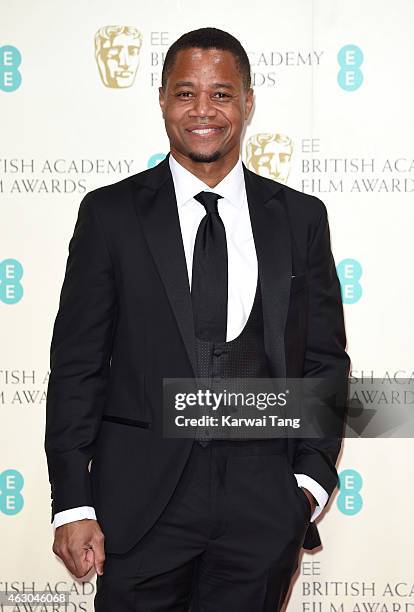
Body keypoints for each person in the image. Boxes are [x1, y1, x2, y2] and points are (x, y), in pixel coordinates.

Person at [45, 27, 350, 612]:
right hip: (141, 503)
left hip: (264, 501)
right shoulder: (109, 214)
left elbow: (325, 360)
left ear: (248, 103)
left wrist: (308, 483)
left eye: (221, 94)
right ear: (161, 99)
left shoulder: (300, 218)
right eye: (186, 94)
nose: (203, 111)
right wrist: (74, 504)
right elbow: (77, 367)